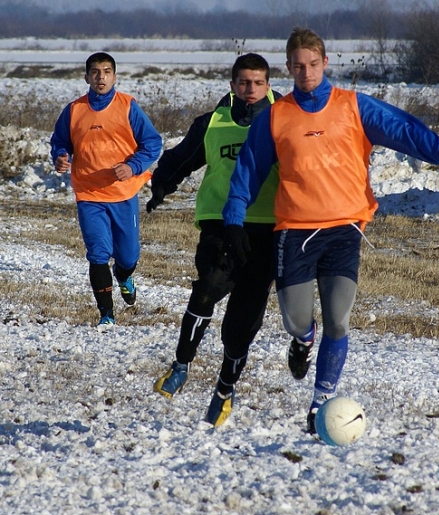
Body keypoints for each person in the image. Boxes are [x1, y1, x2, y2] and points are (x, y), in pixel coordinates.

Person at [222, 27, 439, 434]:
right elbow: (248, 173)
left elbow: (402, 129)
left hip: (344, 229)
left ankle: (320, 401)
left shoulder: (352, 107)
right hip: (295, 232)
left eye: (312, 64)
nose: (305, 72)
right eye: (297, 66)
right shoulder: (275, 116)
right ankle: (303, 341)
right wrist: (233, 221)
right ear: (288, 68)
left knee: (339, 321)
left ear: (325, 63)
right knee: (297, 320)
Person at [148, 53, 282, 426]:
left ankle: (225, 386)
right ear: (232, 85)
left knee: (240, 325)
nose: (250, 89)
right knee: (205, 289)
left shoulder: (285, 120)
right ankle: (181, 363)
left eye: (257, 83)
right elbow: (180, 159)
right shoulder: (212, 123)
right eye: (243, 82)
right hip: (219, 225)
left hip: (267, 231)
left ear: (268, 85)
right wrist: (163, 184)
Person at [50, 52, 162, 329]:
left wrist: (133, 166)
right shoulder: (74, 109)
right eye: (96, 72)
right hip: (89, 194)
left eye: (107, 71)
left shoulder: (127, 106)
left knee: (128, 256)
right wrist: (61, 156)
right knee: (98, 253)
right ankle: (106, 315)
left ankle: (124, 276)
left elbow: (152, 143)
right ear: (86, 77)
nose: (101, 77)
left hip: (123, 193)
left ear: (115, 76)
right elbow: (60, 141)